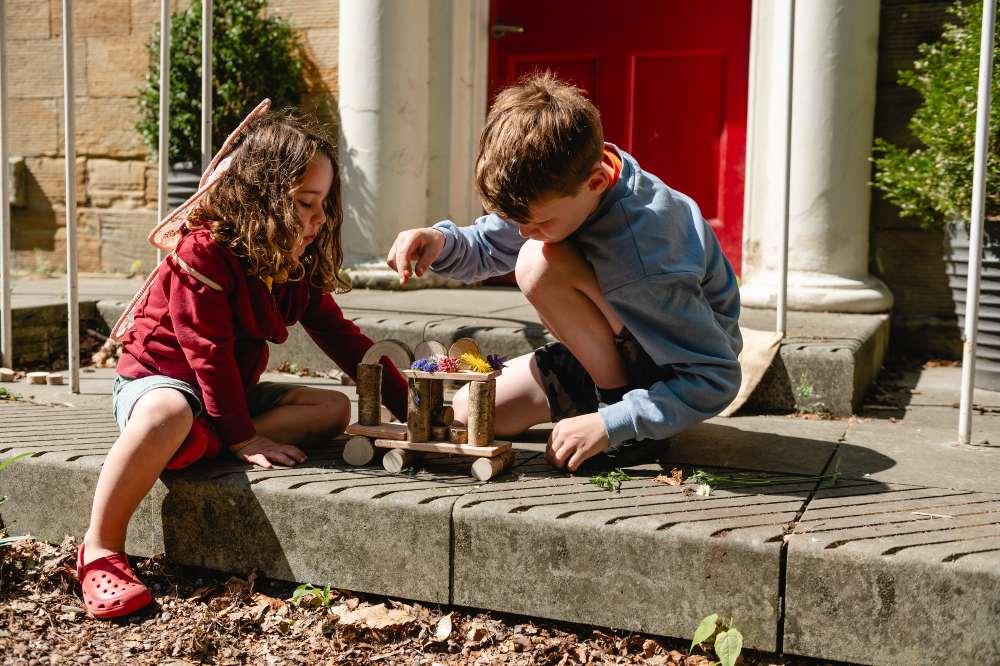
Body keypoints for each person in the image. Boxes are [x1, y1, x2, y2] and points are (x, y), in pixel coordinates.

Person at [78, 107, 407, 619]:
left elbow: (344, 340)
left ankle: (201, 443)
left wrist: (413, 408)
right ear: (263, 199)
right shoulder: (204, 252)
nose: (319, 218)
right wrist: (246, 437)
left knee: (332, 409)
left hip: (222, 397)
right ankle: (100, 548)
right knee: (168, 416)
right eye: (305, 203)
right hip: (159, 384)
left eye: (325, 204)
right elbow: (205, 353)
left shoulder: (290, 263)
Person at [388, 72, 742, 474]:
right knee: (472, 411)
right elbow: (492, 242)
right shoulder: (561, 182)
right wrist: (440, 241)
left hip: (669, 362)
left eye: (536, 223)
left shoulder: (648, 258)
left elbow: (715, 377)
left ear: (595, 182)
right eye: (514, 220)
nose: (523, 233)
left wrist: (612, 423)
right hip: (613, 344)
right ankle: (613, 402)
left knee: (536, 261)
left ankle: (626, 418)